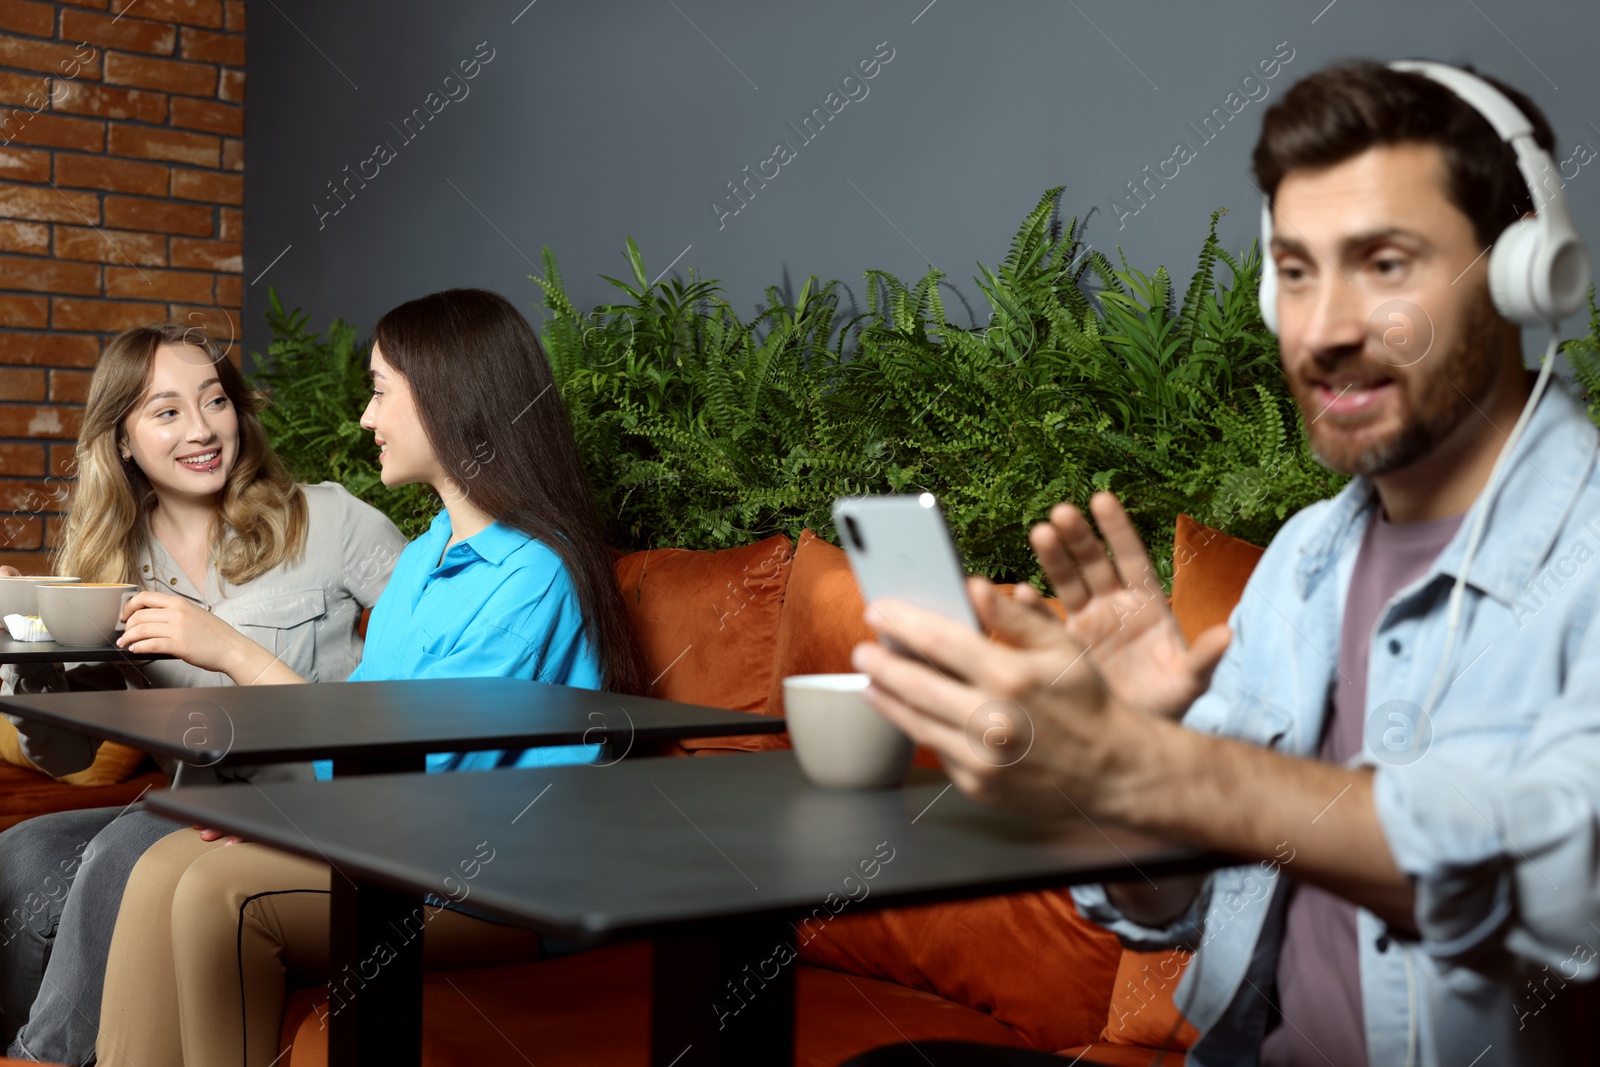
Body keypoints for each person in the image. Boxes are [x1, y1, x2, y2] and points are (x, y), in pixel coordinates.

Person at [848, 61, 1600, 1065]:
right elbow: (1170, 908)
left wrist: (1158, 766)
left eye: (1383, 263)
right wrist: (1133, 786)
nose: (1323, 328)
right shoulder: (1304, 559)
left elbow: (1561, 878)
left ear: (1524, 273)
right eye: (1294, 271)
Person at [94, 287, 647, 1067]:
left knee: (220, 895)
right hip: (400, 849)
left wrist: (237, 654)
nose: (365, 419)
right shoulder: (421, 561)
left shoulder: (535, 574)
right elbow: (370, 741)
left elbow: (416, 770)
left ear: (450, 404)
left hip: (497, 883)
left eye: (381, 392)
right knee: (160, 865)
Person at [0, 323, 406, 1065]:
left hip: (312, 809)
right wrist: (26, 658)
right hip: (200, 806)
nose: (202, 428)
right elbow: (69, 752)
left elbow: (428, 649)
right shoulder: (107, 566)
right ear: (121, 439)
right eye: (166, 411)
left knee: (123, 848)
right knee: (23, 854)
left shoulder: (328, 519)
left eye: (214, 400)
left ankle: (39, 1060)